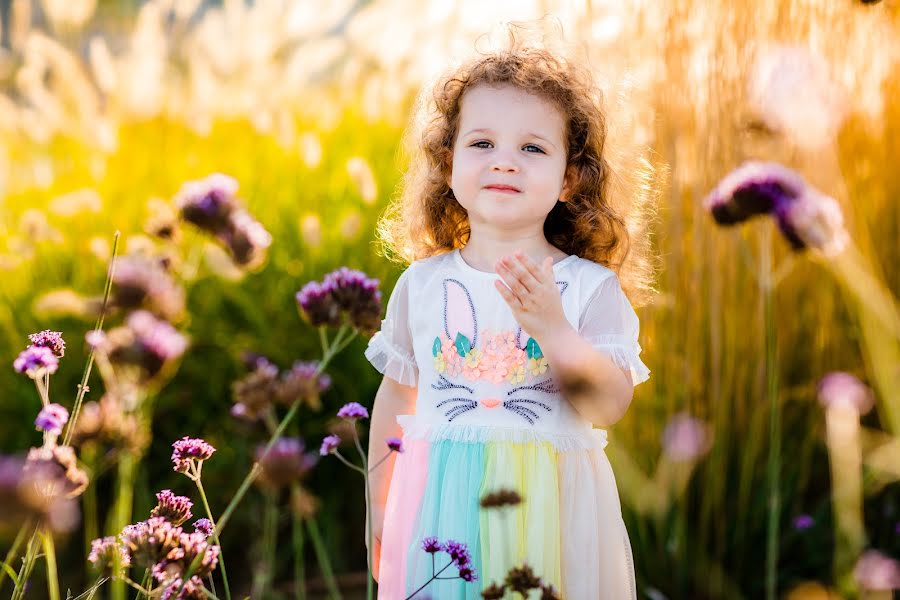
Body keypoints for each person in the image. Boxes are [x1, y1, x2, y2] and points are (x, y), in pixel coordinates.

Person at [364, 29, 653, 599]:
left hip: (550, 509)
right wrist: (380, 507)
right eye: (482, 144)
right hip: (443, 508)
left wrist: (553, 329)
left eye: (532, 148)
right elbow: (398, 399)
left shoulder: (586, 288)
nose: (504, 163)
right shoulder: (423, 285)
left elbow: (611, 404)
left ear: (569, 178)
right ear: (448, 167)